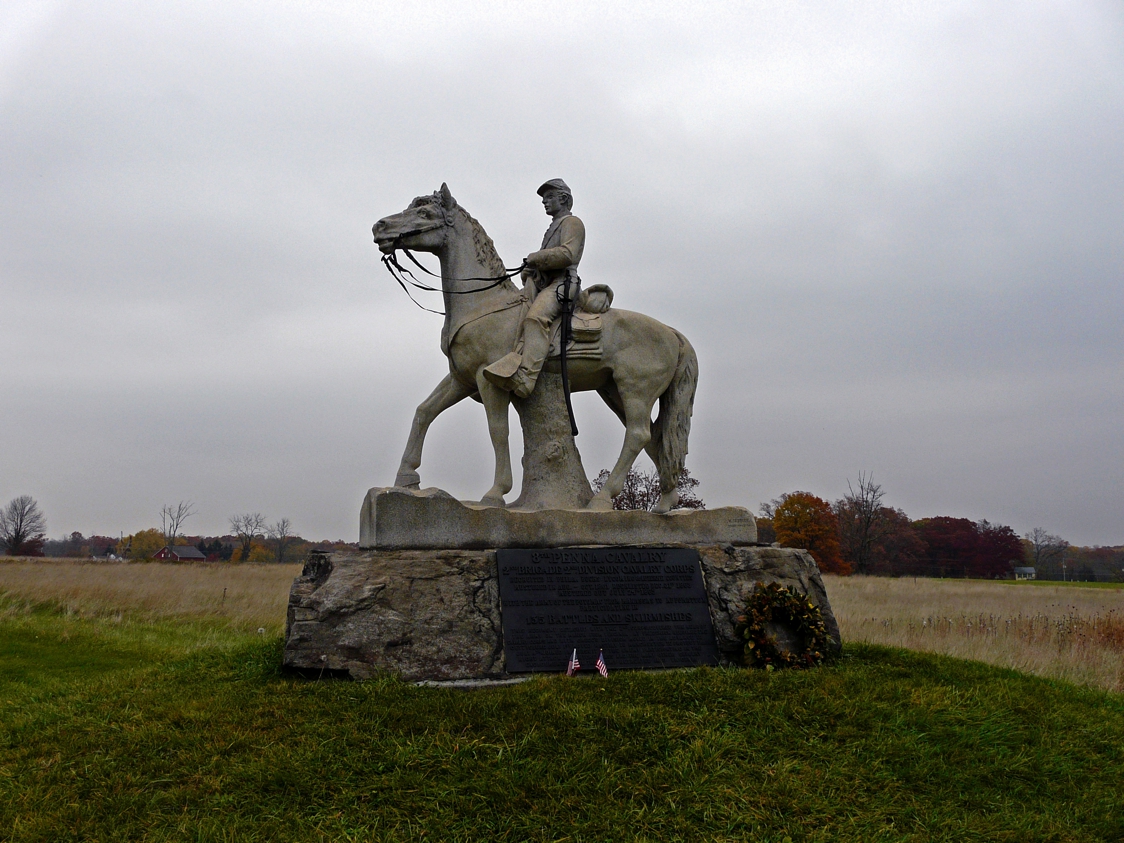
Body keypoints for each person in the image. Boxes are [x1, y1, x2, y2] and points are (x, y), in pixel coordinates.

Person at [483, 178, 585, 398]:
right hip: (548, 284)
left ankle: (527, 377)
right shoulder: (553, 227)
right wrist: (532, 271)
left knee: (535, 319)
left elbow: (569, 254)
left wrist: (536, 257)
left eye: (549, 197)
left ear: (564, 198)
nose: (544, 202)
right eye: (543, 199)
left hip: (563, 284)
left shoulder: (572, 223)